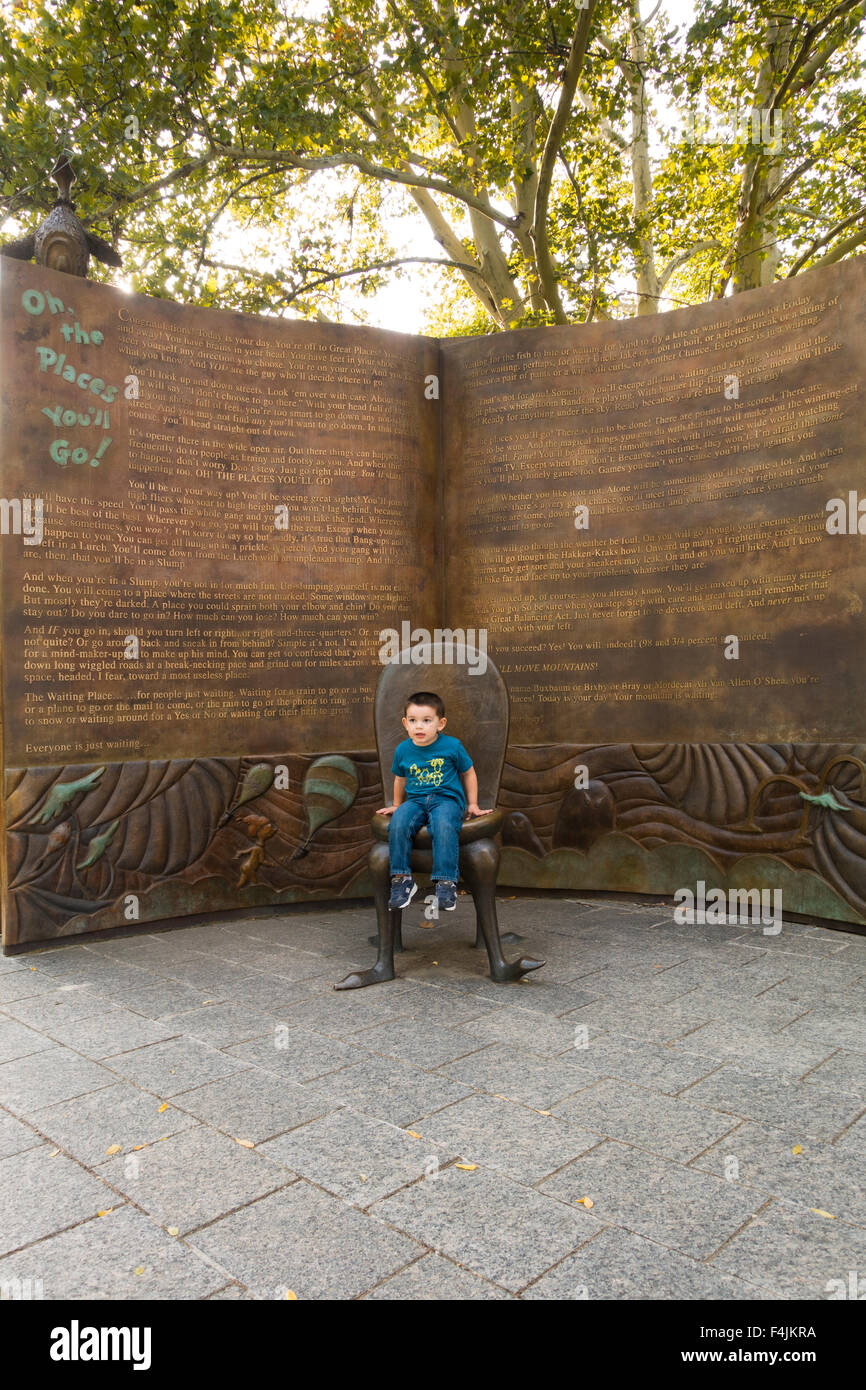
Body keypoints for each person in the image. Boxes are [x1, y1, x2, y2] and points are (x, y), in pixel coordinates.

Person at [377, 690, 490, 911]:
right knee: (398, 822)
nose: (419, 726)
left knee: (443, 824)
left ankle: (446, 882)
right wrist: (398, 805)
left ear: (441, 723)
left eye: (426, 721)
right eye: (413, 721)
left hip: (446, 800)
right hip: (416, 800)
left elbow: (469, 773)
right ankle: (402, 879)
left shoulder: (452, 746)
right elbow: (400, 779)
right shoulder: (403, 750)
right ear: (405, 723)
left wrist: (472, 804)